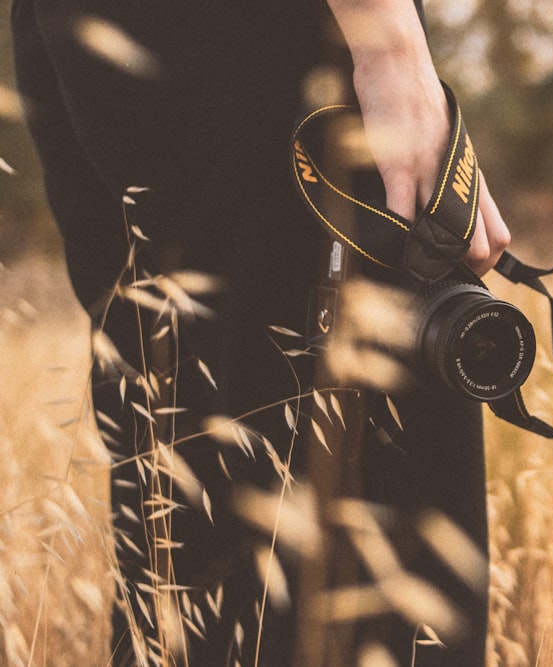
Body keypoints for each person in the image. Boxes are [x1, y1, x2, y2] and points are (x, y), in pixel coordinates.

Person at [12, 0, 509, 664]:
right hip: (260, 34)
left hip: (90, 33)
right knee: (373, 554)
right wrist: (387, 37)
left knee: (187, 511)